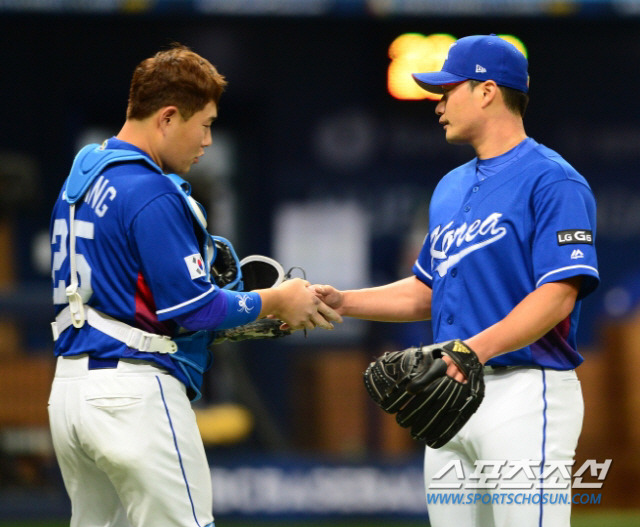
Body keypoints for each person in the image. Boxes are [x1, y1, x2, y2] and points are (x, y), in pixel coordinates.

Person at [48, 44, 340, 527]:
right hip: (134, 391)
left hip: (70, 395)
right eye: (203, 124)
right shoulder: (150, 190)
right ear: (166, 117)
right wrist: (276, 299)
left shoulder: (85, 173)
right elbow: (196, 310)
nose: (207, 140)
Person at [314, 34, 599, 526]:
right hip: (453, 394)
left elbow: (558, 295)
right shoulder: (451, 187)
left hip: (524, 392)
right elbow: (428, 288)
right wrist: (343, 302)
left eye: (448, 90)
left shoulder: (553, 180)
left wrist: (475, 350)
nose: (438, 102)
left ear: (487, 91)